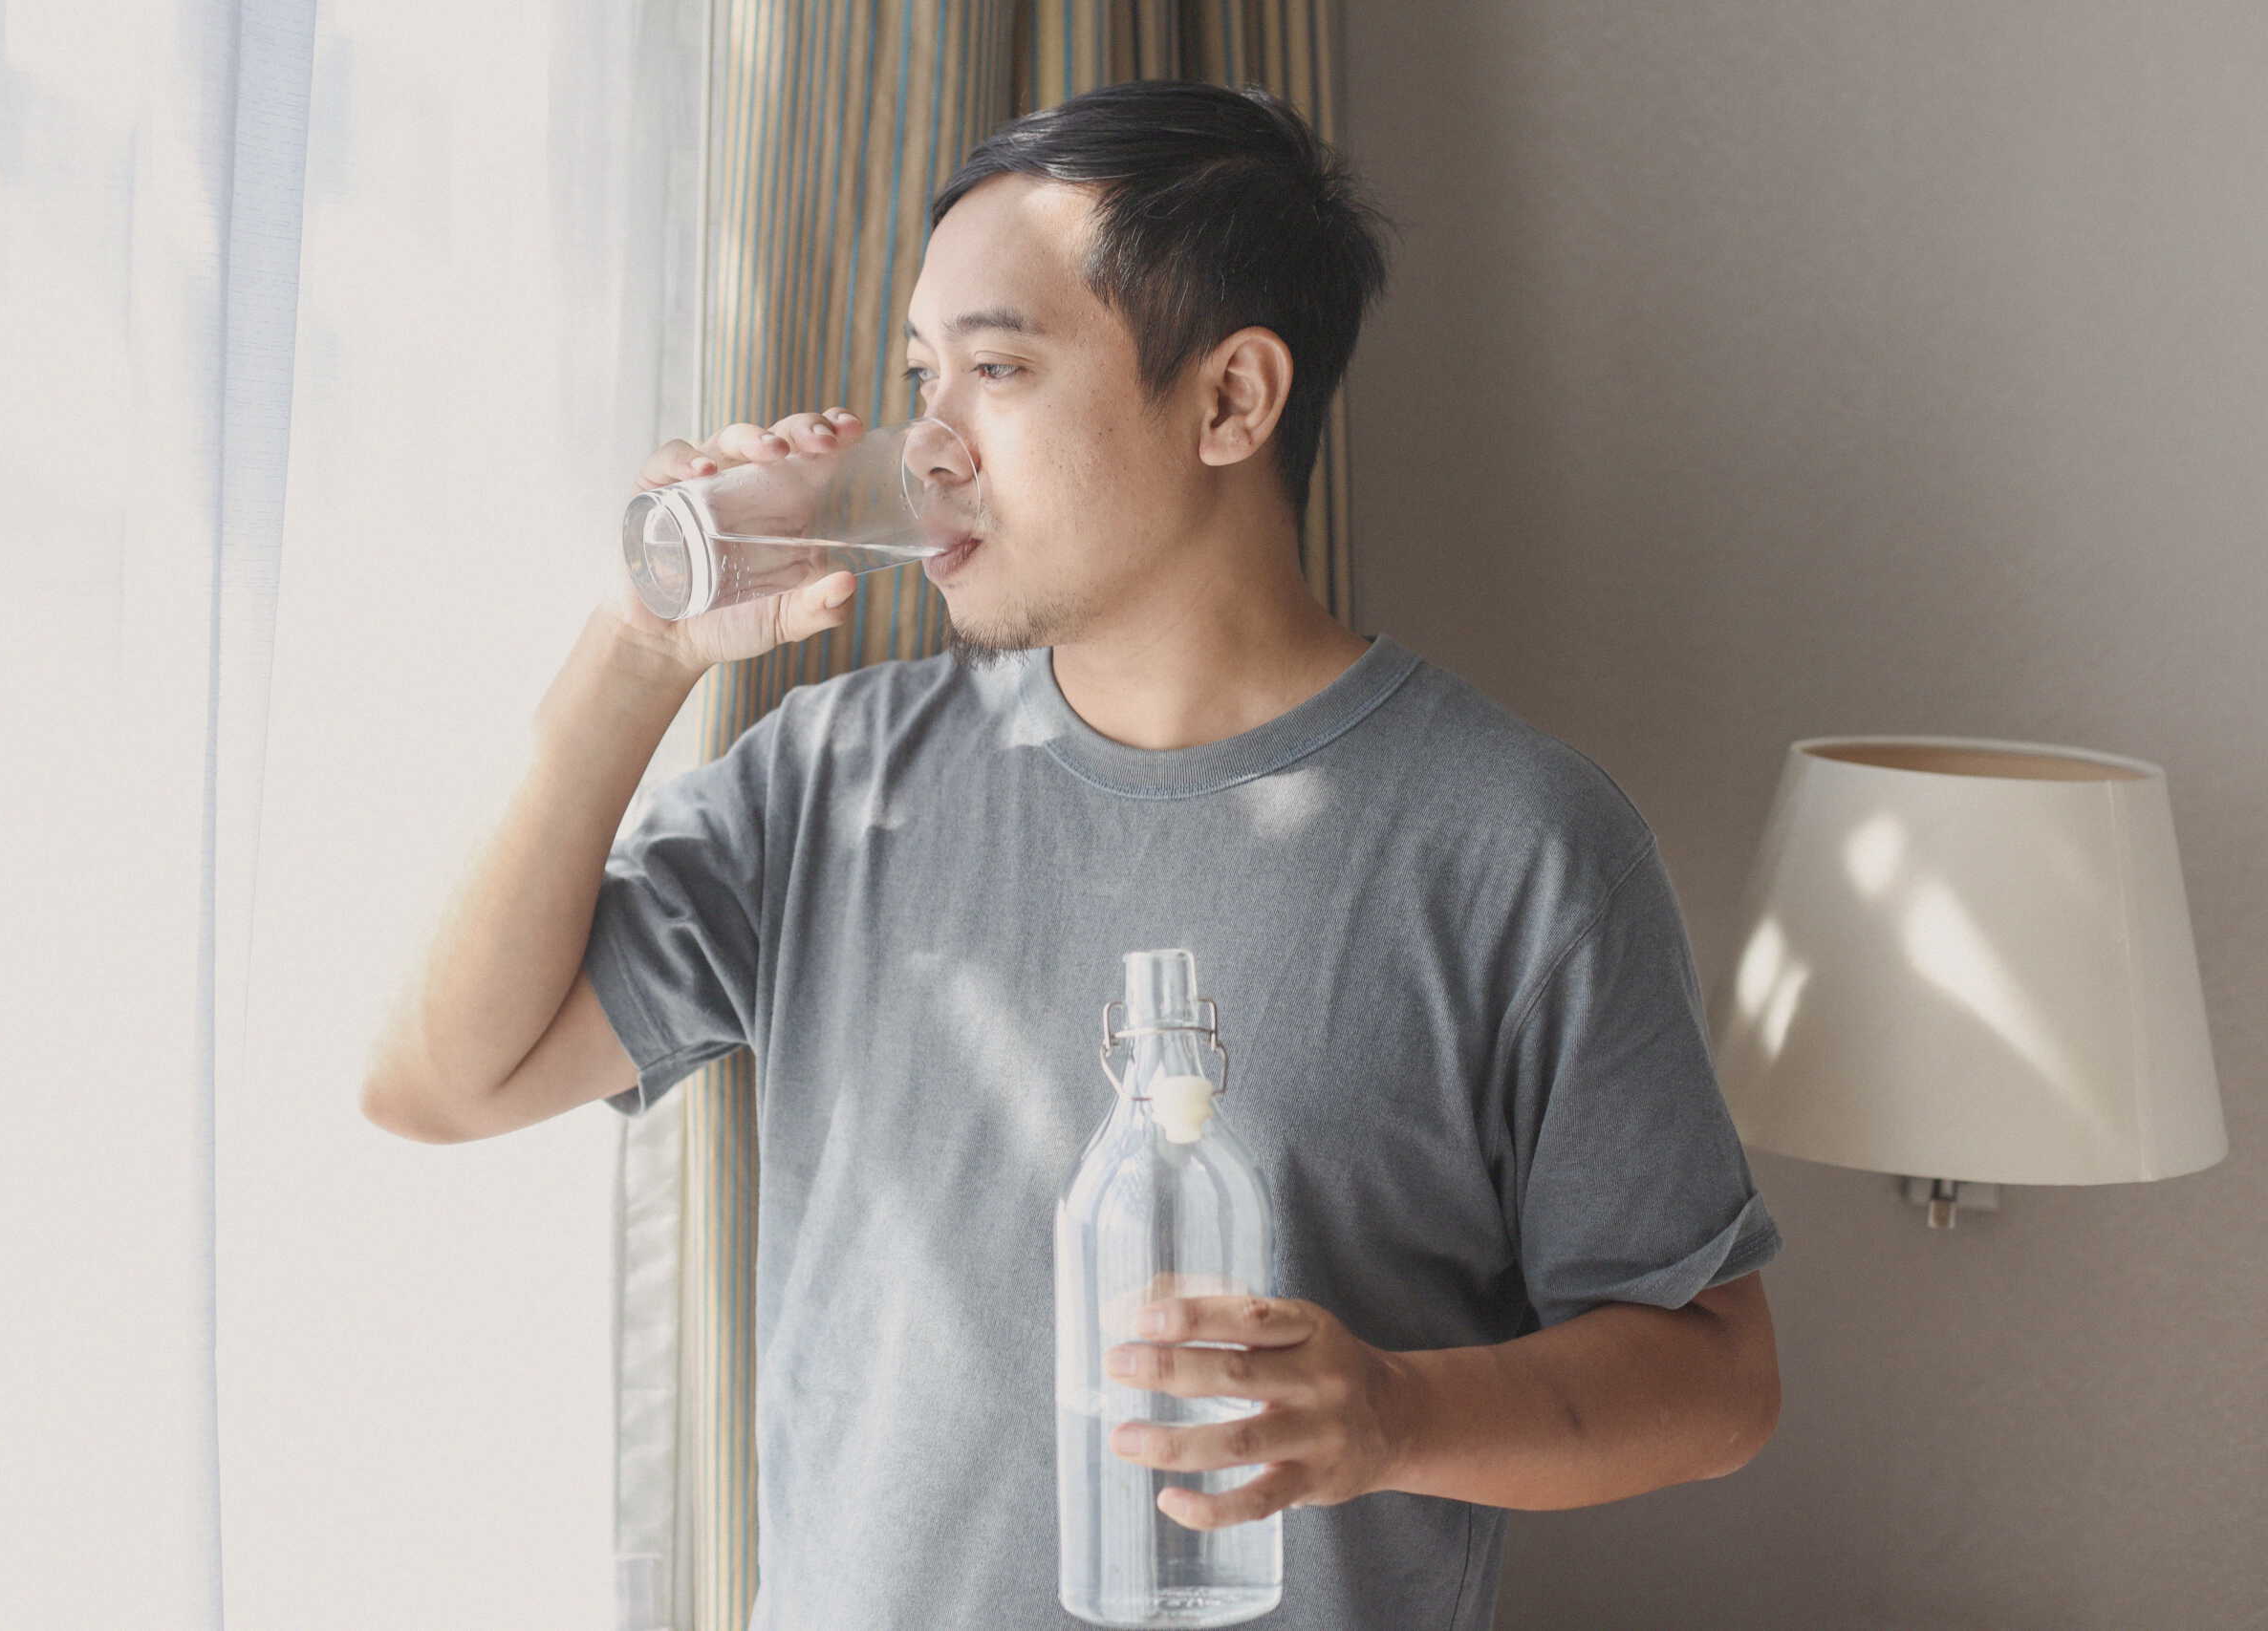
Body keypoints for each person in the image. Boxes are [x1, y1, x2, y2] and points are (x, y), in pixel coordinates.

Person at [363, 77, 1782, 1631]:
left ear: (1232, 400)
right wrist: (638, 653)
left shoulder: (1514, 841)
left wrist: (1395, 1416)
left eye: (996, 369)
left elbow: (1717, 1377)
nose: (930, 444)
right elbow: (442, 1082)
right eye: (923, 374)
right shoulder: (834, 782)